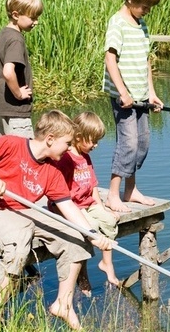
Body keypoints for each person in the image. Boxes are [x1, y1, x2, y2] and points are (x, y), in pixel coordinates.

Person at [0, 109, 113, 330]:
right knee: (19, 239)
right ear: (50, 140)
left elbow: (68, 206)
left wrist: (93, 235)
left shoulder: (52, 170)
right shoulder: (11, 144)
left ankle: (63, 304)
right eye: (67, 143)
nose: (69, 148)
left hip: (25, 211)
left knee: (75, 236)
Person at [102, 0, 164, 213]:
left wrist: (152, 92)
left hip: (141, 96)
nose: (147, 10)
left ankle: (131, 189)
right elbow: (110, 59)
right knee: (128, 143)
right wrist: (122, 92)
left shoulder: (142, 25)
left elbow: (146, 60)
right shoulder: (117, 23)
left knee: (142, 143)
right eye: (144, 5)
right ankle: (113, 194)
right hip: (124, 98)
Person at [52, 111, 120, 296]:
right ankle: (82, 274)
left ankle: (107, 263)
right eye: (94, 141)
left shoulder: (85, 157)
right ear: (80, 137)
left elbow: (93, 186)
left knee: (108, 221)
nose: (96, 145)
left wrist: (102, 208)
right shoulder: (66, 159)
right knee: (91, 227)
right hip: (73, 207)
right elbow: (60, 194)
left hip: (87, 203)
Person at [0, 0, 43, 139]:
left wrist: (4, 85)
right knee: (23, 156)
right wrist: (18, 93)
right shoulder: (16, 39)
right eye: (33, 17)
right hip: (15, 112)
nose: (36, 22)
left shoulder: (3, 34)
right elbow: (8, 71)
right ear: (16, 15)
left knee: (3, 157)